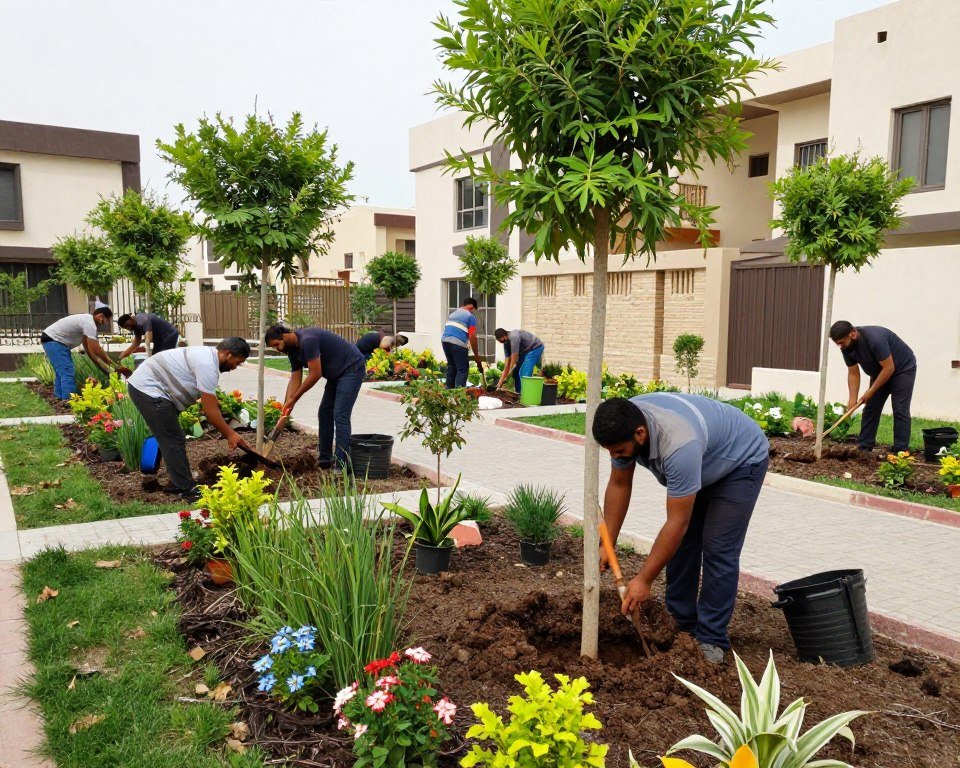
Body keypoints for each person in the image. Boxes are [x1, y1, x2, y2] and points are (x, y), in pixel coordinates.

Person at [592, 393, 769, 663]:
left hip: (740, 461)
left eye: (618, 452)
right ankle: (680, 622)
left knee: (718, 547)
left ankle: (711, 638)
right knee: (683, 545)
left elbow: (677, 522)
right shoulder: (625, 421)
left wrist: (644, 580)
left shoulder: (678, 444)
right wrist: (608, 543)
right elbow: (619, 484)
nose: (616, 458)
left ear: (640, 434)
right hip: (704, 458)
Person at [127, 338, 251, 502]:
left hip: (152, 389)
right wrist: (230, 434)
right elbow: (210, 412)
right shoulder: (208, 365)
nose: (236, 367)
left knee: (169, 437)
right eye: (238, 362)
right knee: (173, 438)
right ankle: (186, 489)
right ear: (228, 354)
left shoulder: (208, 358)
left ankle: (178, 481)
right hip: (149, 389)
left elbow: (210, 402)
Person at [265, 324, 366, 469]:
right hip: (336, 373)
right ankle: (325, 459)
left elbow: (315, 374)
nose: (277, 349)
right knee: (325, 412)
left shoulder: (308, 341)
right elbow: (295, 378)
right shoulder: (292, 350)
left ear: (284, 336)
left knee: (340, 415)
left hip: (351, 367)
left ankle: (342, 465)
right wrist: (287, 405)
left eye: (276, 345)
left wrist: (294, 399)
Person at [829, 321, 917, 454]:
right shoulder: (846, 348)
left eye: (841, 342)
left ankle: (901, 451)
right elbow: (853, 373)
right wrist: (852, 401)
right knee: (871, 408)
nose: (840, 346)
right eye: (837, 343)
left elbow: (889, 367)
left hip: (902, 369)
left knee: (900, 409)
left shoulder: (875, 340)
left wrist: (870, 391)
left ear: (852, 333)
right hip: (879, 372)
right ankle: (864, 448)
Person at [41, 306, 129, 400]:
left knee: (62, 372)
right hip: (55, 341)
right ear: (101, 316)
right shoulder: (89, 323)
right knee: (67, 372)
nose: (106, 323)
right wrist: (113, 365)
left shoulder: (86, 323)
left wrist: (107, 371)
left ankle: (59, 398)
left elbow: (91, 353)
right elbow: (97, 350)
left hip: (52, 340)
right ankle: (68, 401)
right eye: (107, 320)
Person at [441, 297, 483, 388]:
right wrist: (477, 356)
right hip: (458, 344)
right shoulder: (470, 317)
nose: (473, 312)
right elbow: (472, 336)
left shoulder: (453, 314)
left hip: (445, 341)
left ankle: (448, 394)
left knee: (451, 367)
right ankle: (459, 395)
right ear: (472, 306)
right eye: (473, 310)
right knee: (462, 369)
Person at [494, 328, 544, 393]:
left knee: (524, 373)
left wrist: (510, 370)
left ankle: (526, 396)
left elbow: (514, 356)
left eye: (499, 339)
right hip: (524, 351)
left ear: (504, 336)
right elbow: (506, 366)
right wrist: (499, 384)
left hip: (535, 348)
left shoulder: (513, 336)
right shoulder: (506, 344)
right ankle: (519, 394)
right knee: (515, 373)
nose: (499, 341)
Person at [117, 312, 181, 358]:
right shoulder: (135, 326)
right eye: (125, 327)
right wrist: (125, 353)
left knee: (161, 358)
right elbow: (136, 343)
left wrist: (148, 356)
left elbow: (148, 338)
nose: (128, 328)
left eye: (126, 325)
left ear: (130, 318)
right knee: (156, 358)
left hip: (169, 335)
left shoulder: (142, 320)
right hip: (160, 339)